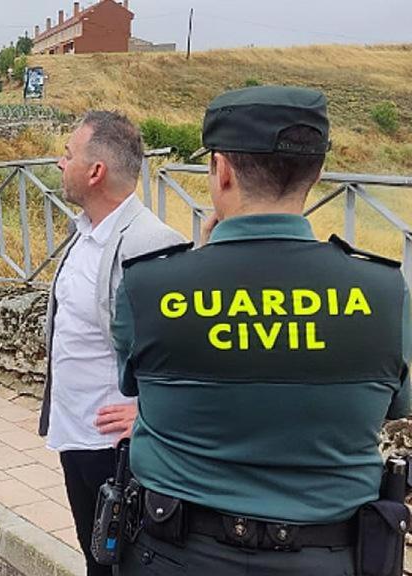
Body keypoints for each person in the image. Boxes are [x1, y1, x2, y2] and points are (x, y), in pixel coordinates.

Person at [113, 85, 410, 575]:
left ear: (221, 171)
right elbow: (395, 405)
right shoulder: (385, 291)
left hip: (175, 555)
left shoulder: (148, 287)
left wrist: (204, 265)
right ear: (315, 175)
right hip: (333, 557)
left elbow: (137, 385)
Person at [36, 111, 183, 576]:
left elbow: (185, 349)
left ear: (95, 171)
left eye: (68, 154)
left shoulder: (151, 243)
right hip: (75, 432)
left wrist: (150, 412)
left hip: (117, 448)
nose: (61, 164)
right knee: (93, 554)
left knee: (126, 563)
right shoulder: (86, 231)